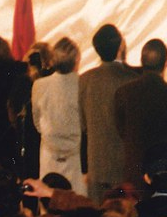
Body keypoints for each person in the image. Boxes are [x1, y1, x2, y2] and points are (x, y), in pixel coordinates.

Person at [115, 37, 167, 191]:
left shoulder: (123, 93)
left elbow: (121, 129)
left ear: (141, 61)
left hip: (134, 170)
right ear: (166, 63)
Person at [79, 22, 139, 199]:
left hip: (97, 165)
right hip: (124, 167)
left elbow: (82, 124)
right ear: (120, 46)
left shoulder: (85, 80)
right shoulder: (132, 80)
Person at [33, 35, 85, 193]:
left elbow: (37, 121)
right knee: (76, 201)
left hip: (49, 153)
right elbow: (86, 123)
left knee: (48, 199)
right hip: (76, 155)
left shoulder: (39, 85)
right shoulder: (83, 84)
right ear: (76, 60)